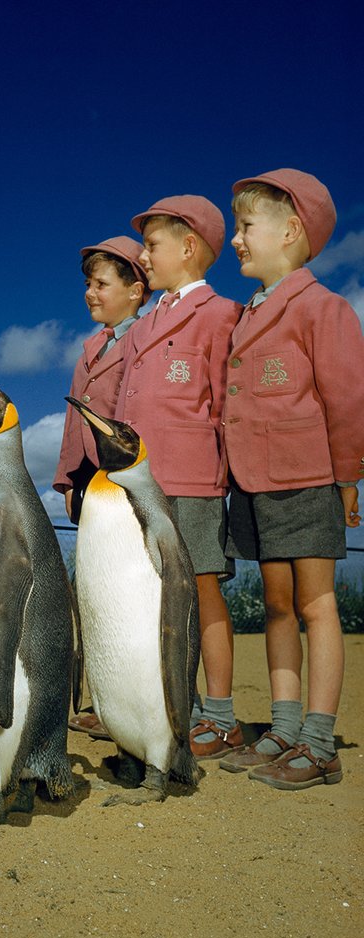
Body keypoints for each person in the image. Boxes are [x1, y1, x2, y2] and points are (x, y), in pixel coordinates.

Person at [218, 168, 364, 790]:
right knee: (276, 605)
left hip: (307, 477)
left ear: (292, 230)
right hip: (252, 483)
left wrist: (349, 477)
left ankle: (319, 739)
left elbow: (348, 399)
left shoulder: (323, 308)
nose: (236, 240)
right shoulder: (246, 316)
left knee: (316, 604)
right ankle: (281, 728)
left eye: (246, 226)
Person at [114, 195, 243, 759]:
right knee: (150, 595)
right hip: (137, 484)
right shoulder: (141, 327)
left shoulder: (222, 314)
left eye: (152, 245)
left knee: (202, 590)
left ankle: (220, 716)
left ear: (189, 247)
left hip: (193, 481)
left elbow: (228, 403)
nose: (143, 256)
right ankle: (173, 706)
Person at [54, 235, 149, 739]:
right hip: (92, 484)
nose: (91, 292)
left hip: (123, 480)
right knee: (95, 593)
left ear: (136, 290)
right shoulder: (91, 347)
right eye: (88, 283)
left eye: (102, 283)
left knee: (131, 592)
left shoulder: (145, 340)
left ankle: (142, 701)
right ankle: (104, 700)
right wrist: (67, 477)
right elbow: (75, 422)